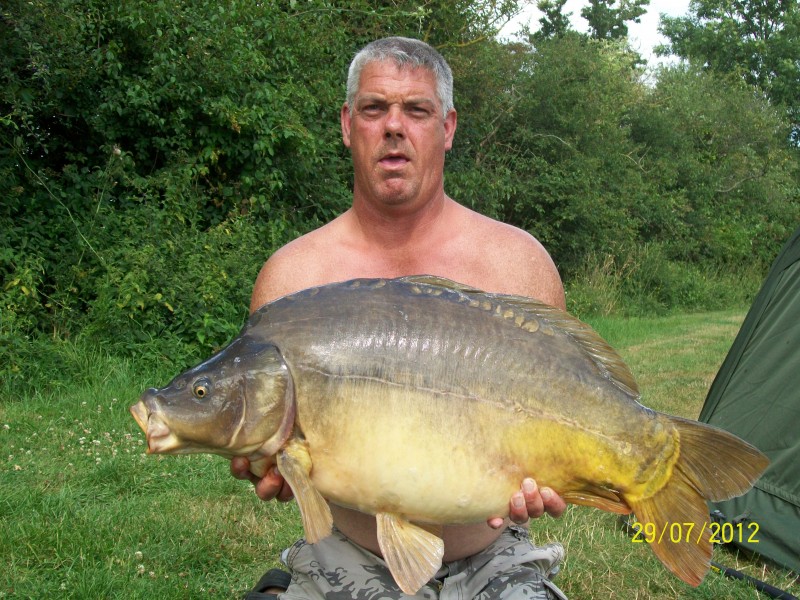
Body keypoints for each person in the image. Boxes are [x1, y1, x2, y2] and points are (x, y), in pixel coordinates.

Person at [231, 36, 569, 599]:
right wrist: (271, 467)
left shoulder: (518, 264)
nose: (394, 126)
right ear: (347, 124)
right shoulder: (292, 279)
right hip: (348, 548)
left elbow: (563, 416)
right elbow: (271, 445)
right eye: (373, 108)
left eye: (416, 110)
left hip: (494, 547)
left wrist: (555, 480)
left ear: (448, 128)